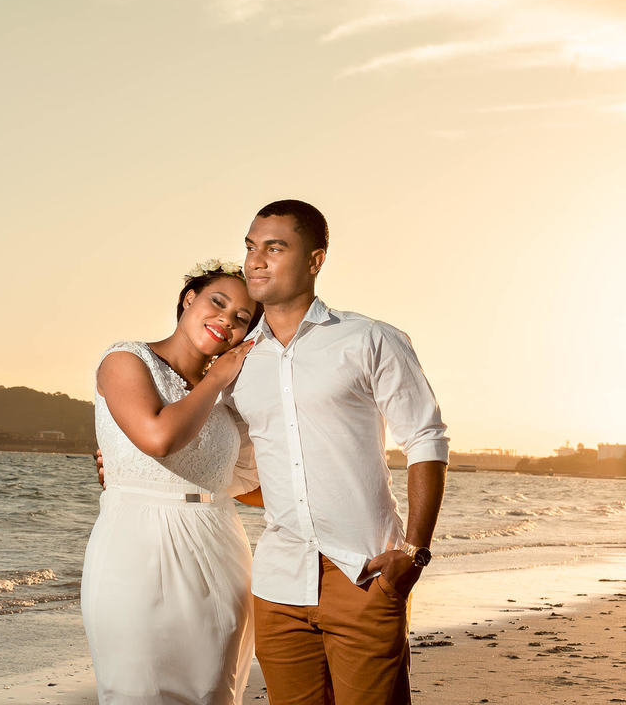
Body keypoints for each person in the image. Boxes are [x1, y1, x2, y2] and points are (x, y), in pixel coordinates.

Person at [95, 200, 449, 705]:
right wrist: (124, 461)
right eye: (250, 247)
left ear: (315, 260)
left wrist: (412, 553)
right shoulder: (238, 364)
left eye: (275, 247)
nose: (256, 260)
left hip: (364, 573)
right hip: (277, 585)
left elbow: (427, 439)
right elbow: (221, 459)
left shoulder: (368, 339)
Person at [83, 260, 265, 705]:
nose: (226, 320)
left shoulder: (229, 400)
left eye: (242, 319)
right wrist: (219, 376)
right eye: (217, 303)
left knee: (213, 693)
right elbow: (158, 437)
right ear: (189, 300)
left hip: (221, 554)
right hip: (135, 552)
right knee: (135, 690)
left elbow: (246, 485)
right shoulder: (126, 359)